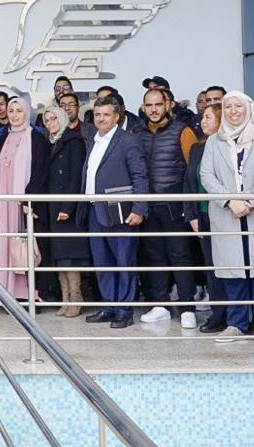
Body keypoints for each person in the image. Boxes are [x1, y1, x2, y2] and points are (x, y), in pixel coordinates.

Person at [200, 92, 254, 347]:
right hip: (226, 213)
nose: (233, 111)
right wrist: (230, 200)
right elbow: (206, 175)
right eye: (228, 106)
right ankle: (236, 324)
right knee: (232, 272)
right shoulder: (214, 140)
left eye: (238, 106)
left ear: (248, 108)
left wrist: (250, 201)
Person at [81, 97, 149, 330]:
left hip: (120, 210)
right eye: (97, 114)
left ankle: (124, 310)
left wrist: (139, 208)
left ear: (117, 117)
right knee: (103, 262)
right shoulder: (93, 139)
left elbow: (140, 176)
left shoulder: (128, 141)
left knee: (124, 261)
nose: (101, 119)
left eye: (106, 114)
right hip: (94, 209)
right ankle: (109, 306)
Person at [134, 88, 199, 328]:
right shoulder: (137, 133)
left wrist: (190, 206)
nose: (153, 110)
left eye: (158, 104)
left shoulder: (182, 131)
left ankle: (187, 308)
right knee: (155, 257)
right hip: (149, 206)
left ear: (168, 105)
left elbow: (193, 171)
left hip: (175, 205)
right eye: (149, 105)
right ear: (143, 108)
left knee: (180, 256)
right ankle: (160, 305)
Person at [0, 98, 50, 302]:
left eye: (19, 110)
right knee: (8, 243)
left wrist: (29, 201)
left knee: (29, 247)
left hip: (26, 204)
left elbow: (40, 172)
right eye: (11, 110)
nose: (15, 115)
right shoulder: (3, 138)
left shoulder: (36, 139)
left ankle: (31, 293)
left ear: (27, 113)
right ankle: (9, 290)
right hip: (5, 203)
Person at [184, 103, 228, 335]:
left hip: (226, 214)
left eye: (209, 117)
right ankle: (218, 314)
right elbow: (189, 183)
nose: (203, 121)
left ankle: (237, 314)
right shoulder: (197, 148)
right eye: (203, 117)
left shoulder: (229, 146)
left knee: (229, 266)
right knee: (211, 267)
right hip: (203, 215)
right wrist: (191, 215)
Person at [40, 105, 88, 316]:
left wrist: (68, 206)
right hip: (53, 206)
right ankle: (65, 299)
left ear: (62, 119)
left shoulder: (73, 142)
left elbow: (76, 176)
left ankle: (76, 299)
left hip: (66, 208)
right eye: (47, 120)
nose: (50, 123)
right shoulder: (50, 142)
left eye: (54, 118)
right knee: (59, 256)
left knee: (70, 256)